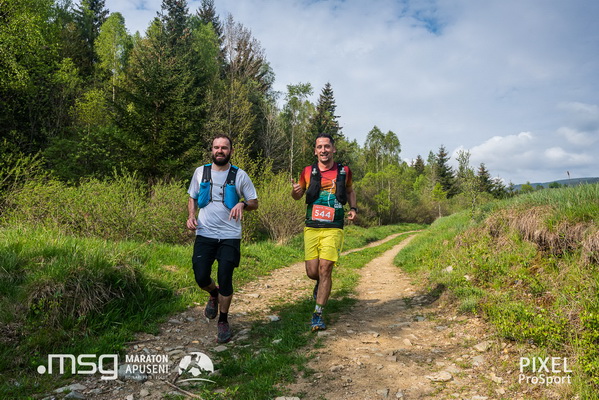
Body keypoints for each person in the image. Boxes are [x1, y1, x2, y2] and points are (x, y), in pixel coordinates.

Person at [186, 134, 258, 343]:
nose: (220, 151)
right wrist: (191, 216)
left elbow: (254, 202)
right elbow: (192, 196)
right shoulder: (200, 172)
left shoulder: (240, 175)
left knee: (225, 277)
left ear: (231, 151)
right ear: (212, 150)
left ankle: (223, 320)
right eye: (216, 147)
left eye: (224, 148)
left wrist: (242, 204)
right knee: (201, 277)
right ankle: (213, 294)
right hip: (204, 233)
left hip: (230, 235)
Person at [291, 133, 357, 331]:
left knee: (325, 268)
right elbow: (298, 195)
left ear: (333, 149)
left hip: (334, 227)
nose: (323, 150)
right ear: (315, 151)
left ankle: (318, 314)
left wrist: (353, 209)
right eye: (319, 147)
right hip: (312, 226)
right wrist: (295, 192)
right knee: (313, 272)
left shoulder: (344, 171)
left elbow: (350, 191)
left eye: (327, 146)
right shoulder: (307, 171)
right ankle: (319, 284)